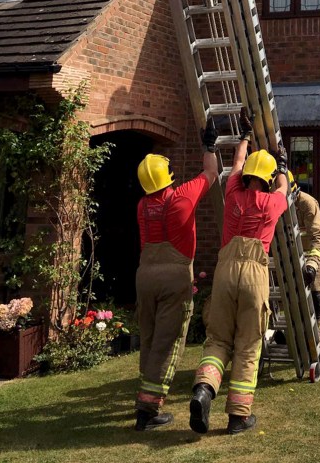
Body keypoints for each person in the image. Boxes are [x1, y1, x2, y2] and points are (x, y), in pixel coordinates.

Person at [190, 116, 289, 436]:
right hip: (254, 273)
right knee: (248, 343)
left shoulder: (233, 190)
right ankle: (238, 416)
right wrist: (284, 167)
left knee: (217, 339)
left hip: (224, 271)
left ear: (247, 176)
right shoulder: (272, 202)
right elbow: (284, 186)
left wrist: (244, 136)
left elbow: (236, 162)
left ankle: (204, 389)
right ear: (268, 178)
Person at [133, 126, 219, 431]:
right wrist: (208, 144)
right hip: (175, 277)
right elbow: (211, 171)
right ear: (167, 177)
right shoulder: (183, 196)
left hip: (145, 276)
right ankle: (148, 409)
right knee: (168, 343)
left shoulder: (142, 206)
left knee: (149, 337)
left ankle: (145, 395)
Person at [288, 171, 320, 334]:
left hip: (314, 256)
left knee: (316, 297)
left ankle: (316, 337)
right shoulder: (276, 203)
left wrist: (312, 264)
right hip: (291, 256)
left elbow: (319, 237)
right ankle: (290, 332)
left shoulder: (307, 203)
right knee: (290, 297)